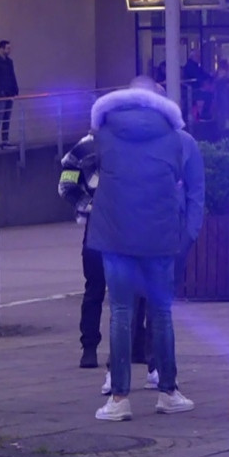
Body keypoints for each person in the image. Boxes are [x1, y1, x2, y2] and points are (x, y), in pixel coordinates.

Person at [87, 77, 204, 422]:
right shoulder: (176, 137)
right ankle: (168, 391)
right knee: (162, 313)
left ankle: (119, 397)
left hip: (115, 237)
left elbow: (74, 165)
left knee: (121, 312)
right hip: (159, 237)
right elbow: (189, 185)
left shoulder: (103, 133)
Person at [58, 130, 153, 380]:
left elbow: (66, 185)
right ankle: (97, 347)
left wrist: (86, 206)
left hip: (110, 226)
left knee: (105, 289)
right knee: (112, 289)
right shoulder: (96, 146)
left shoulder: (89, 147)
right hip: (113, 226)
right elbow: (66, 184)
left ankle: (99, 348)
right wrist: (92, 207)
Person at [0, 41, 19, 148]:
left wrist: (15, 90)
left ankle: (5, 139)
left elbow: (12, 76)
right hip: (1, 94)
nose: (9, 51)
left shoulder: (9, 62)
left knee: (6, 117)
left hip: (10, 92)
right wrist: (0, 90)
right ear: (1, 49)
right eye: (7, 48)